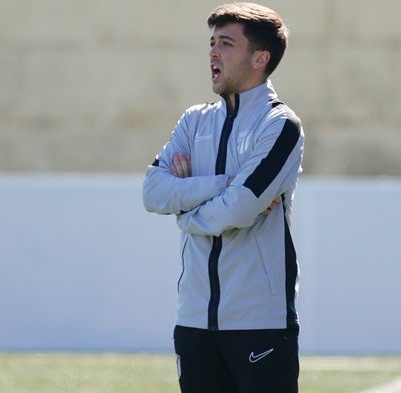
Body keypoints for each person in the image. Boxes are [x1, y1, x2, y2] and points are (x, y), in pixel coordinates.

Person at [142, 3, 304, 392]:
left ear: (259, 58)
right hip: (194, 321)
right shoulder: (194, 120)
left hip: (259, 324)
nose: (213, 52)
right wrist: (219, 185)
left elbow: (240, 208)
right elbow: (152, 192)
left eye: (226, 44)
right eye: (212, 42)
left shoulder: (279, 124)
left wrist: (184, 211)